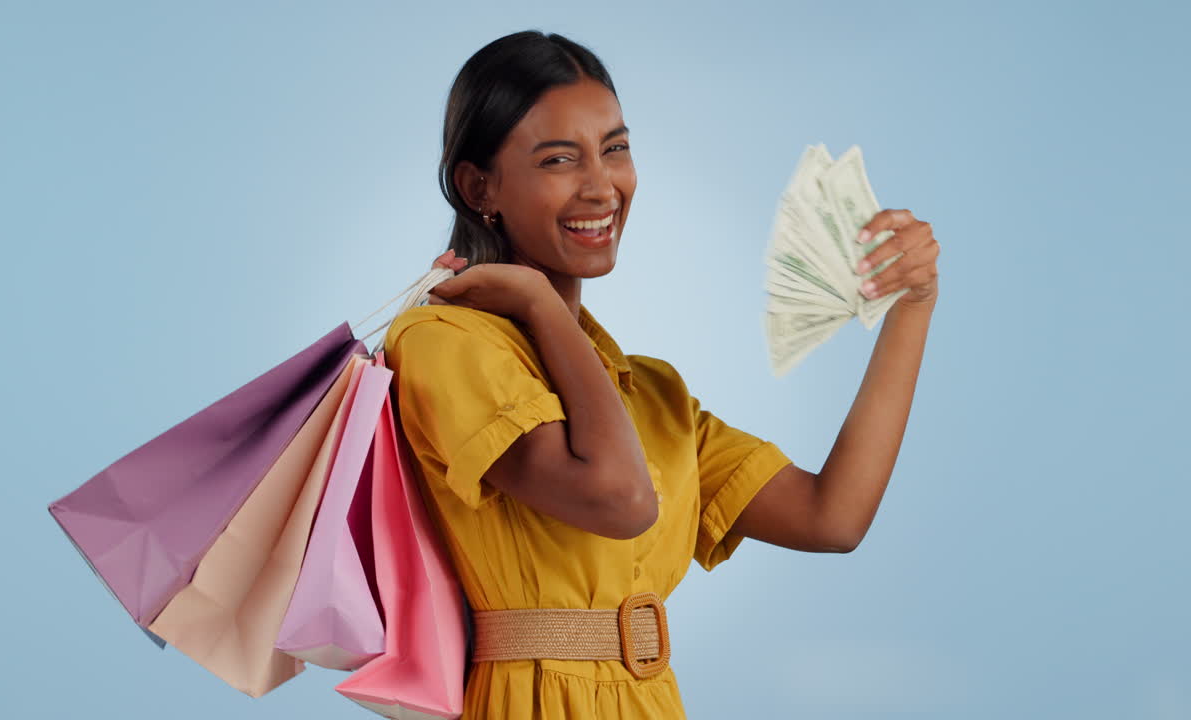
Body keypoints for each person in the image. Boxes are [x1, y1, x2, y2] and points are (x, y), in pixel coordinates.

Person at [383, 30, 940, 719]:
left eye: (615, 149)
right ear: (479, 187)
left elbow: (833, 517)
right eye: (559, 159)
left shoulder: (652, 395)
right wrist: (540, 306)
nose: (601, 186)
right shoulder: (442, 343)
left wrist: (912, 307)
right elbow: (622, 500)